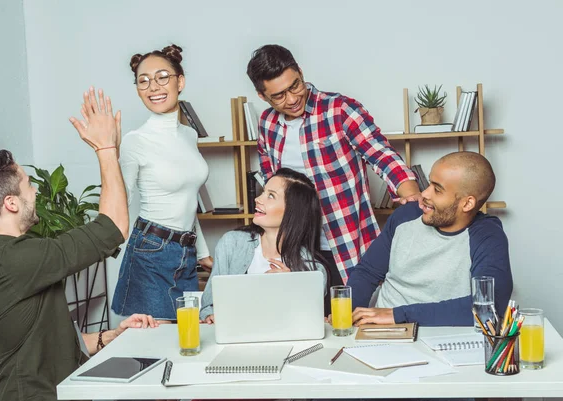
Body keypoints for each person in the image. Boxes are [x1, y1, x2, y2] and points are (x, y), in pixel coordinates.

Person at [0, 88, 161, 401]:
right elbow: (113, 228)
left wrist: (111, 336)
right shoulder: (12, 260)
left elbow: (47, 345)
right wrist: (106, 149)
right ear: (11, 203)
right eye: (29, 185)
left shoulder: (4, 257)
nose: (36, 193)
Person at [246, 44, 421, 299]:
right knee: (300, 320)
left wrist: (410, 194)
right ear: (263, 96)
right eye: (279, 96)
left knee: (347, 322)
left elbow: (380, 154)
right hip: (295, 247)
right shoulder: (268, 123)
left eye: (295, 85)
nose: (292, 99)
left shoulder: (339, 109)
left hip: (344, 242)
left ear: (301, 72)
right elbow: (270, 177)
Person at [345, 151, 513, 326]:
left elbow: (488, 307)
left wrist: (399, 315)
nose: (424, 194)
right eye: (428, 184)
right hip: (383, 332)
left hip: (437, 336)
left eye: (437, 190)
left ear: (467, 203)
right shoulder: (406, 215)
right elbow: (367, 272)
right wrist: (346, 314)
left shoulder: (487, 236)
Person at [111, 44, 212, 320]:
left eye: (162, 77)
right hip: (150, 252)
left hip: (186, 252)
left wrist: (202, 252)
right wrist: (106, 152)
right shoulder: (136, 141)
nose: (153, 86)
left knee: (186, 337)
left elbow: (189, 200)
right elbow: (120, 199)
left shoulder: (189, 135)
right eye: (143, 81)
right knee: (154, 342)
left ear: (180, 81)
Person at [200, 168, 328, 322]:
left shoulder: (314, 271)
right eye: (263, 192)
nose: (258, 199)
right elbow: (208, 305)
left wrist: (292, 285)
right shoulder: (231, 244)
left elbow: (311, 322)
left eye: (271, 196)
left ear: (292, 212)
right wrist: (210, 316)